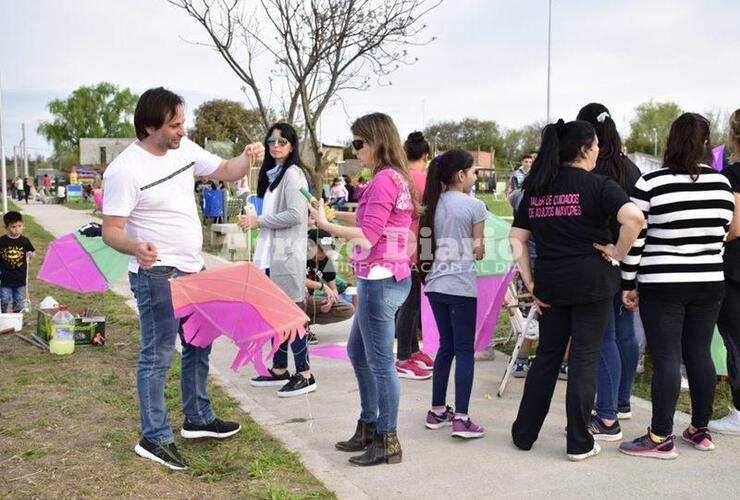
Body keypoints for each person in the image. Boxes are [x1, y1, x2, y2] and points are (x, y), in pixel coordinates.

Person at [102, 87, 264, 471]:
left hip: (194, 268)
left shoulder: (185, 150)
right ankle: (154, 437)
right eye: (174, 125)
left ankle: (198, 418)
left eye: (182, 123)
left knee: (198, 344)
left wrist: (246, 156)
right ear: (149, 127)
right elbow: (111, 230)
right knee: (157, 355)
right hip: (157, 274)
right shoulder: (125, 170)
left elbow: (226, 170)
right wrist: (135, 246)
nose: (182, 131)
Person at [509, 119, 643, 462]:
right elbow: (635, 219)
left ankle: (524, 434)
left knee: (547, 359)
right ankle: (579, 442)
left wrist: (530, 282)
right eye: (596, 144)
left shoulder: (538, 187)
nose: (599, 148)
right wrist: (617, 252)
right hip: (592, 284)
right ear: (584, 149)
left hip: (551, 285)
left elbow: (517, 238)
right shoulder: (600, 185)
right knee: (584, 360)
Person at [619, 113, 734, 459]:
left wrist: (628, 281)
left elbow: (636, 238)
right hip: (709, 280)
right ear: (704, 143)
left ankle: (659, 438)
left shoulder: (651, 183)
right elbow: (723, 232)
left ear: (671, 140)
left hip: (663, 282)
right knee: (698, 353)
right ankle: (700, 430)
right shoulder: (722, 185)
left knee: (667, 356)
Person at [307, 112, 416, 466]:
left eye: (358, 144)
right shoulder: (391, 178)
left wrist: (325, 224)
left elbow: (369, 236)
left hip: (381, 279)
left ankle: (387, 438)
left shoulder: (385, 180)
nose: (355, 151)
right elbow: (374, 221)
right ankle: (370, 425)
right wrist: (335, 217)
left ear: (376, 142)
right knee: (358, 351)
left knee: (381, 363)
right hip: (385, 276)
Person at [576, 103, 643, 439]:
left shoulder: (590, 169)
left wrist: (616, 250)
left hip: (602, 258)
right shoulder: (630, 169)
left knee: (607, 338)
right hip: (630, 261)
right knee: (625, 331)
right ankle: (621, 400)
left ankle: (606, 413)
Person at [239, 123, 315, 398]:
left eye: (282, 141)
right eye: (271, 140)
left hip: (286, 257)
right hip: (270, 255)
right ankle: (280, 369)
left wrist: (258, 220)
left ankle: (305, 374)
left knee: (291, 315)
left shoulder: (293, 175)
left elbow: (296, 215)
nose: (275, 145)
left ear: (292, 146)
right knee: (274, 315)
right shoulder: (274, 176)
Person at [419, 149, 487, 438]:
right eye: (473, 172)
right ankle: (461, 417)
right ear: (461, 175)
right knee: (464, 350)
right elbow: (479, 251)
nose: (474, 178)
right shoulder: (475, 206)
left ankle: (437, 410)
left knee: (446, 346)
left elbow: (423, 252)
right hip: (461, 288)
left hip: (434, 286)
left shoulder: (430, 205)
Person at [710, 108, 740, 435]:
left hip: (734, 267)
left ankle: (739, 412)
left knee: (735, 339)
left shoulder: (734, 175)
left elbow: (734, 228)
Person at [395, 131, 434, 379]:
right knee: (410, 304)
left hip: (399, 247)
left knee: (411, 302)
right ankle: (402, 358)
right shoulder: (426, 180)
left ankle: (412, 349)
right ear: (427, 156)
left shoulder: (398, 177)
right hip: (417, 248)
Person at [304, 228, 355, 338]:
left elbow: (334, 288)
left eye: (327, 250)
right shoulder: (300, 256)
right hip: (294, 299)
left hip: (310, 301)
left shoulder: (325, 260)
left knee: (348, 309)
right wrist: (322, 286)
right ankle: (299, 326)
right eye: (321, 250)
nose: (324, 254)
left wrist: (331, 300)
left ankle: (303, 324)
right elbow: (297, 280)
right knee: (302, 298)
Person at [0, 211, 35, 313]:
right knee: (5, 298)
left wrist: (30, 255)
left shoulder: (24, 240)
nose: (17, 229)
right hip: (5, 277)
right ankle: (3, 315)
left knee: (18, 300)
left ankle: (17, 317)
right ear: (6, 227)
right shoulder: (2, 241)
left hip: (20, 277)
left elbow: (32, 252)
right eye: (13, 227)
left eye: (20, 226)